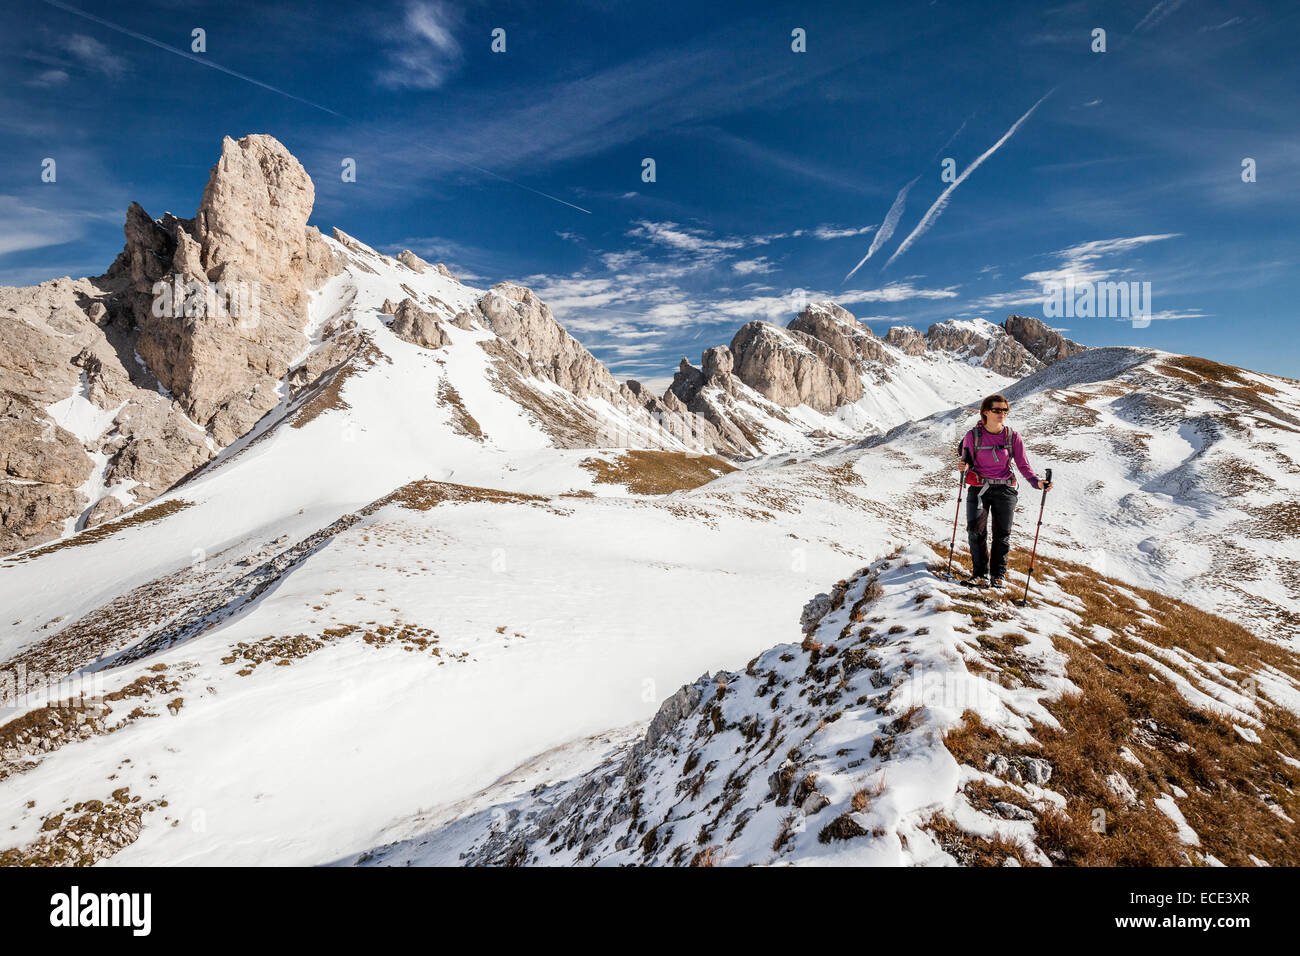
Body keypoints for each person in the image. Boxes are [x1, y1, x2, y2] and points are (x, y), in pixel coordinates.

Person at [957, 393, 1053, 587]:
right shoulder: (972, 436)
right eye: (997, 410)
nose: (1002, 414)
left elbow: (1023, 465)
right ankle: (980, 574)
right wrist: (964, 467)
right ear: (985, 412)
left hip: (1005, 490)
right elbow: (966, 459)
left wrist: (1037, 482)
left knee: (1002, 534)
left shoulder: (1012, 436)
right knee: (976, 531)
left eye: (1005, 410)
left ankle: (998, 576)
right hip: (978, 488)